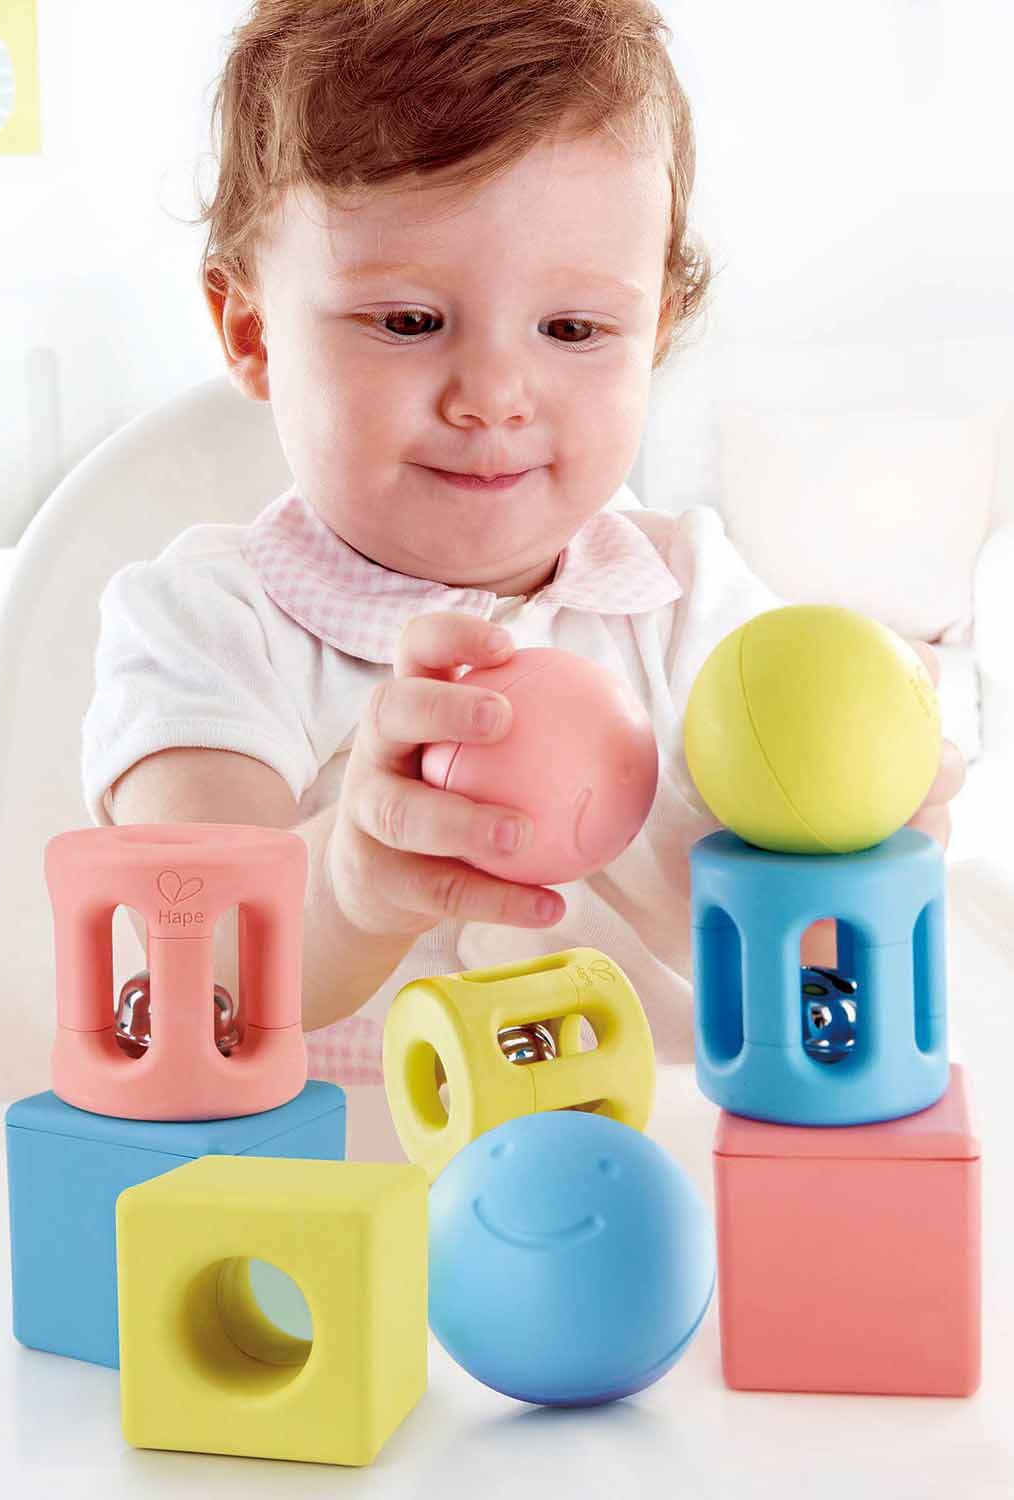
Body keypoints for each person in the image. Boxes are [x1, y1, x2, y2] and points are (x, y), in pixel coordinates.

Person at [80, 0, 965, 1156]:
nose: (493, 395)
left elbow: (802, 968)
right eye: (410, 320)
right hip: (349, 1191)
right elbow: (192, 963)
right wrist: (348, 886)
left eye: (573, 329)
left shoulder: (692, 602)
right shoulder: (207, 628)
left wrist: (860, 846)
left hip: (660, 1169)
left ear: (656, 330)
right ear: (250, 331)